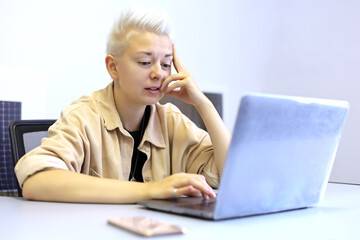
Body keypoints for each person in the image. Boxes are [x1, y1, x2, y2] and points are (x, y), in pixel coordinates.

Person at [15, 7, 231, 203]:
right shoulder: (83, 117)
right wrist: (152, 190)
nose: (158, 73)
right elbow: (37, 181)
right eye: (145, 62)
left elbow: (232, 175)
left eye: (166, 64)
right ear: (113, 67)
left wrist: (203, 103)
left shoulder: (172, 122)